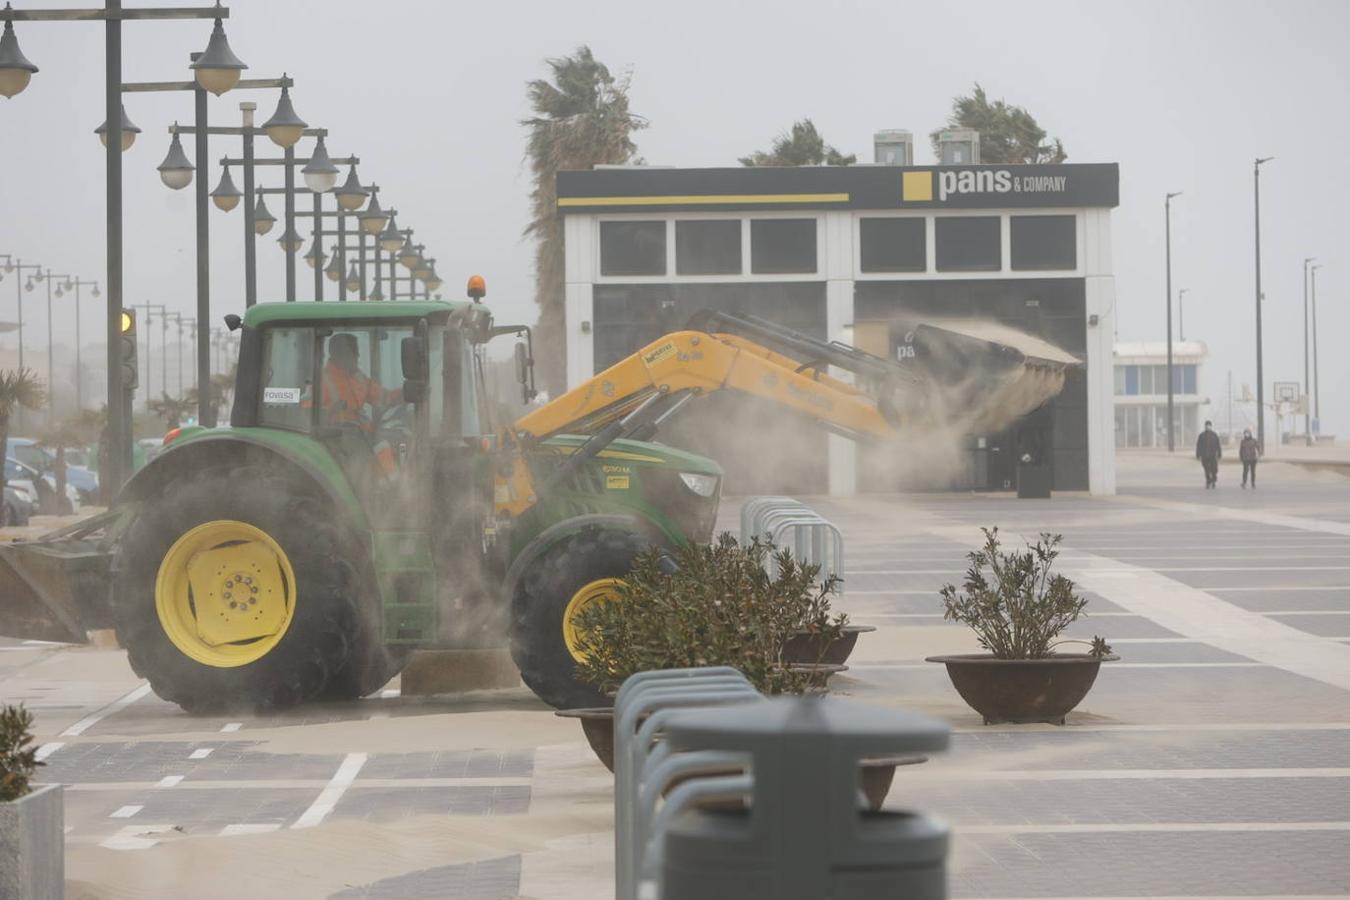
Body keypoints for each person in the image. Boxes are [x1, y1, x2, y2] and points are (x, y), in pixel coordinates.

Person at [321, 333, 403, 475]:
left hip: (360, 434)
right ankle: (393, 490)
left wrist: (406, 393)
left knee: (398, 437)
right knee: (381, 448)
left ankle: (390, 486)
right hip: (338, 436)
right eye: (355, 352)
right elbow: (307, 412)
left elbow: (384, 397)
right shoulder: (322, 380)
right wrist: (331, 412)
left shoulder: (357, 378)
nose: (358, 356)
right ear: (341, 354)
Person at [1195, 420, 1222, 489]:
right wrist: (1198, 454)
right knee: (1206, 470)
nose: (1208, 427)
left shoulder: (1214, 435)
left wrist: (1219, 454)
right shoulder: (1201, 436)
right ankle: (1208, 481)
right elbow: (1198, 446)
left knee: (1214, 469)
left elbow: (1218, 445)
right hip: (1204, 456)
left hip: (1213, 456)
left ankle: (1213, 480)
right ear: (1205, 426)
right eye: (1207, 425)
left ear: (1211, 426)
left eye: (1209, 425)